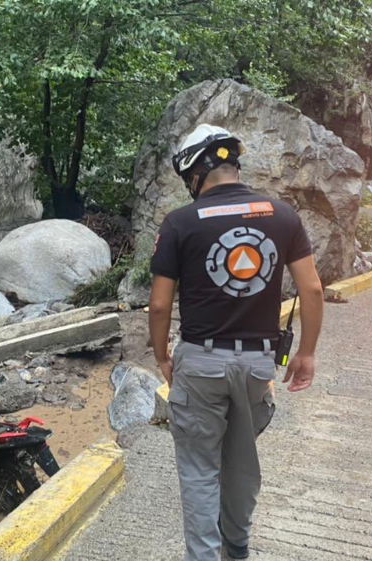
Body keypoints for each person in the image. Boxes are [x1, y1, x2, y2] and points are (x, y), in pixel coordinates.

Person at [148, 124, 325, 561]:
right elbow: (313, 290)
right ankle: (237, 548)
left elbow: (158, 305)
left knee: (199, 470)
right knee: (241, 463)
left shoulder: (180, 223)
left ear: (195, 172)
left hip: (200, 364)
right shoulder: (282, 215)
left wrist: (162, 356)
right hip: (257, 367)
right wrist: (306, 353)